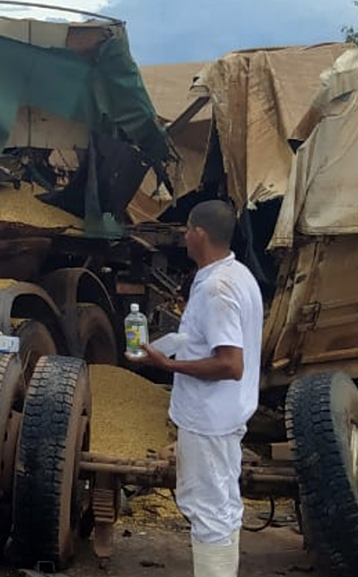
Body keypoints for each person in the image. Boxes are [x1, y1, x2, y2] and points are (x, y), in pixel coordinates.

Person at [126, 199, 263, 577]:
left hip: (210, 420)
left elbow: (229, 363)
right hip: (224, 413)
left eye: (187, 230)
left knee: (208, 509)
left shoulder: (217, 289)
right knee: (222, 504)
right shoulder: (239, 275)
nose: (184, 237)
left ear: (200, 233)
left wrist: (167, 364)